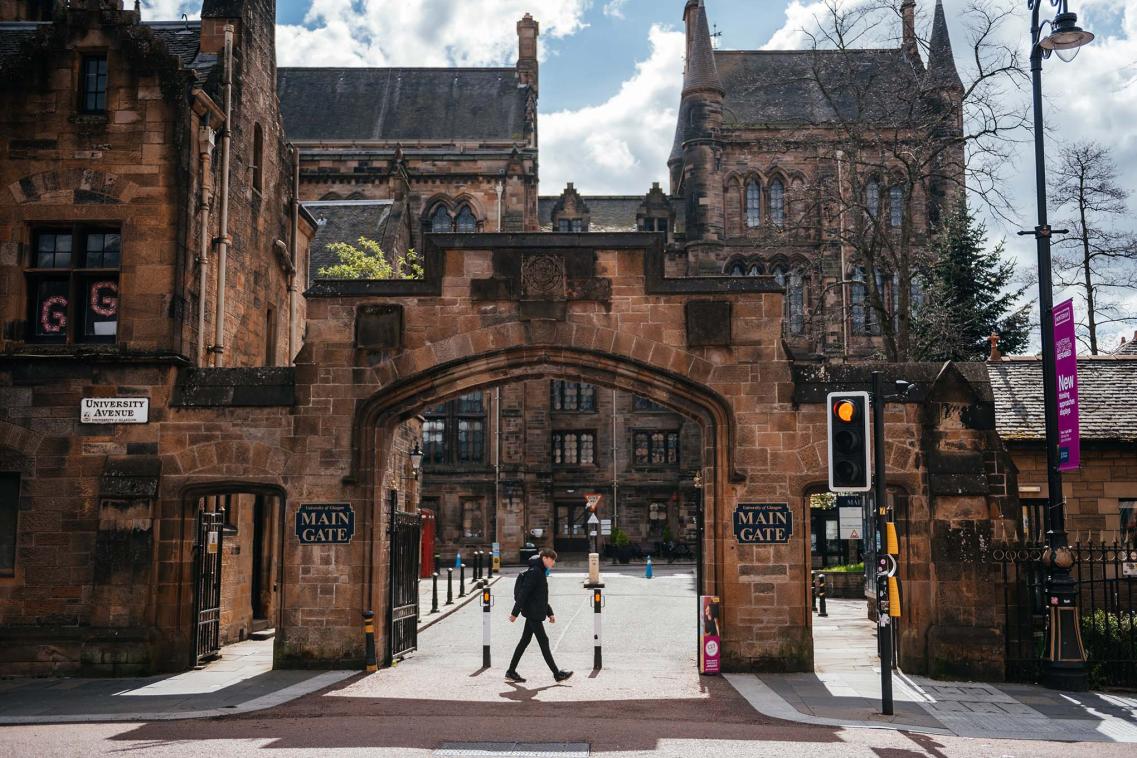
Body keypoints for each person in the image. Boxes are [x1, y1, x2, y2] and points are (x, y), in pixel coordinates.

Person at [506, 547, 573, 683]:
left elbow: (540, 597)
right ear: (545, 558)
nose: (553, 563)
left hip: (534, 611)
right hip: (533, 613)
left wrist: (550, 612)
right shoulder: (535, 573)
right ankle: (557, 674)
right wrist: (514, 613)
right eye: (552, 560)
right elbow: (524, 594)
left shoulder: (540, 571)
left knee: (524, 641)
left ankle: (511, 671)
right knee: (544, 642)